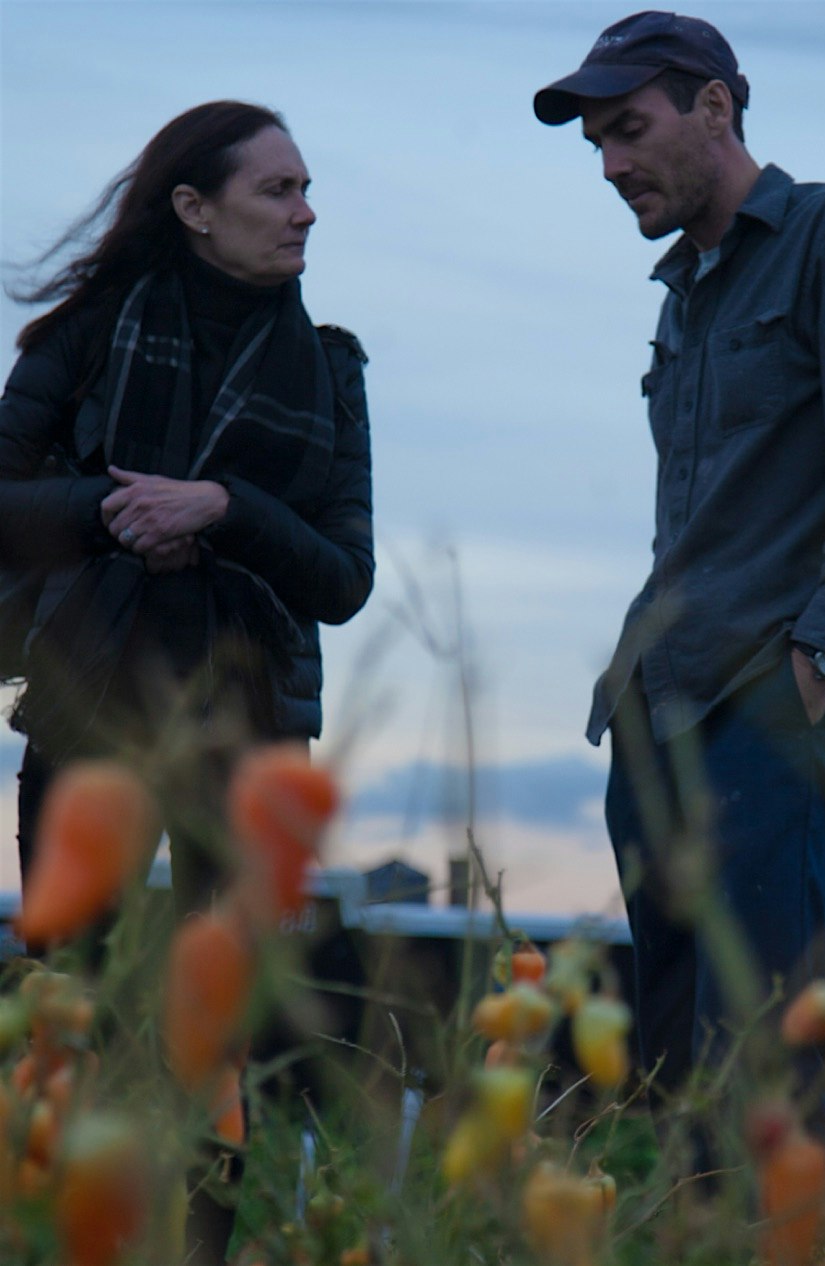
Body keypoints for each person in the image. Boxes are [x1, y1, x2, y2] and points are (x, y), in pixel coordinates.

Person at [535, 12, 825, 1153]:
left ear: (717, 106)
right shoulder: (684, 291)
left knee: (751, 1072)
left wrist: (816, 661)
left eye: (629, 130)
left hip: (771, 703)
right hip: (656, 709)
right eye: (596, 146)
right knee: (660, 1079)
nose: (611, 165)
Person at [0, 100, 373, 1262]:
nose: (307, 213)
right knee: (70, 1008)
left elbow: (344, 575)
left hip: (250, 739)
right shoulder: (86, 335)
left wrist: (222, 512)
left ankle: (202, 1251)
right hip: (89, 708)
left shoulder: (329, 367)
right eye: (279, 191)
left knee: (223, 1041)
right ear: (195, 208)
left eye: (308, 189)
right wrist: (123, 515)